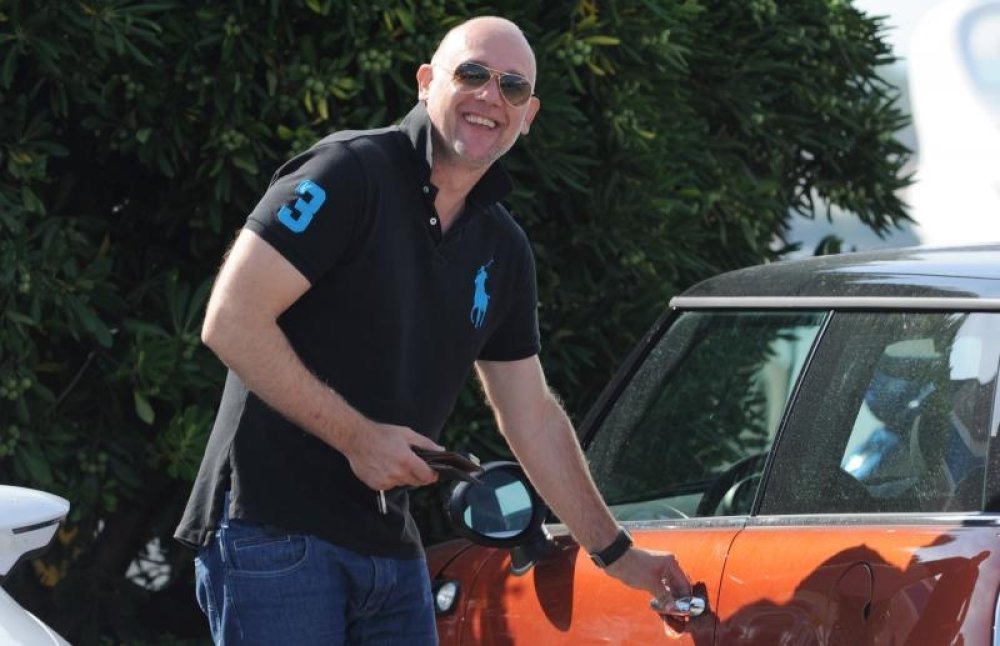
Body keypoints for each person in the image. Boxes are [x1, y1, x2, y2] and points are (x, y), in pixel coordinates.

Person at [175, 15, 691, 644]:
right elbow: (231, 320)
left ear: (528, 115)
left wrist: (618, 554)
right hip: (271, 531)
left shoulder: (503, 247)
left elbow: (531, 416)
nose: (490, 96)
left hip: (388, 547)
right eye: (472, 74)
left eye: (512, 87)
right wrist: (358, 439)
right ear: (425, 82)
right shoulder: (347, 172)